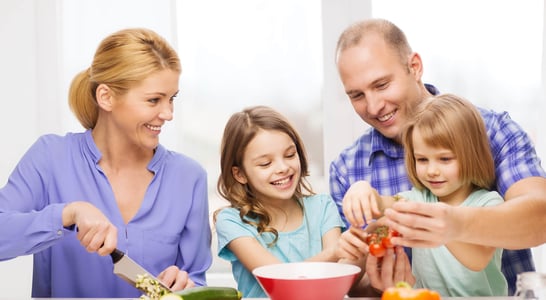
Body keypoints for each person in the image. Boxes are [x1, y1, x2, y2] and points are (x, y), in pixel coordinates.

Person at [330, 18, 546, 295]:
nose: (373, 107)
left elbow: (540, 216)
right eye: (357, 95)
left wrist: (455, 224)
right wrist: (375, 286)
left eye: (382, 85)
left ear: (415, 67)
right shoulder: (347, 168)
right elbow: (348, 277)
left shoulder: (491, 130)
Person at [0, 28, 212, 298]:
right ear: (106, 97)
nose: (168, 113)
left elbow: (197, 280)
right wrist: (68, 213)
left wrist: (186, 285)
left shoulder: (188, 177)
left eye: (172, 99)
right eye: (154, 100)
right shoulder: (50, 157)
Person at [338, 94, 508, 296]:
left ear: (472, 154)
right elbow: (382, 205)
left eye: (444, 159)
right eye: (422, 159)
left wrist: (440, 224)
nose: (432, 171)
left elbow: (478, 259)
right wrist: (361, 189)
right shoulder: (417, 199)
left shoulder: (489, 203)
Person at [214, 105, 345, 298]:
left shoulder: (322, 207)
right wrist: (334, 253)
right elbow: (281, 282)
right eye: (266, 163)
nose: (283, 167)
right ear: (240, 174)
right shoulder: (232, 221)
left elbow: (338, 279)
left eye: (290, 155)